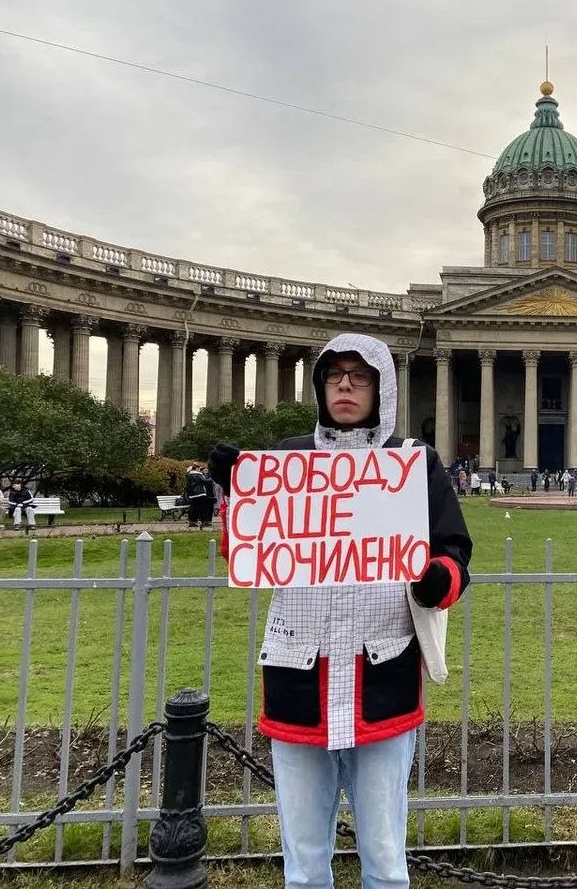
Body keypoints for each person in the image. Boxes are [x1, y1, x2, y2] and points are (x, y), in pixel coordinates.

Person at [207, 333, 473, 888]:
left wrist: (432, 584)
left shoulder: (411, 463)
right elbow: (244, 553)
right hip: (300, 672)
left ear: (383, 388)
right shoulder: (284, 460)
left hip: (382, 673)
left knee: (385, 858)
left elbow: (453, 554)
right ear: (320, 387)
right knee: (303, 864)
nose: (346, 385)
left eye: (361, 375)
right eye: (335, 375)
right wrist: (235, 495)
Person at [184, 463, 213, 528]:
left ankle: (192, 522)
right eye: (200, 469)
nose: (200, 470)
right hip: (200, 494)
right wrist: (211, 478)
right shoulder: (197, 475)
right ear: (196, 468)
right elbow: (206, 481)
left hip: (192, 495)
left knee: (194, 509)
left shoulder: (189, 475)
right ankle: (205, 522)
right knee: (203, 509)